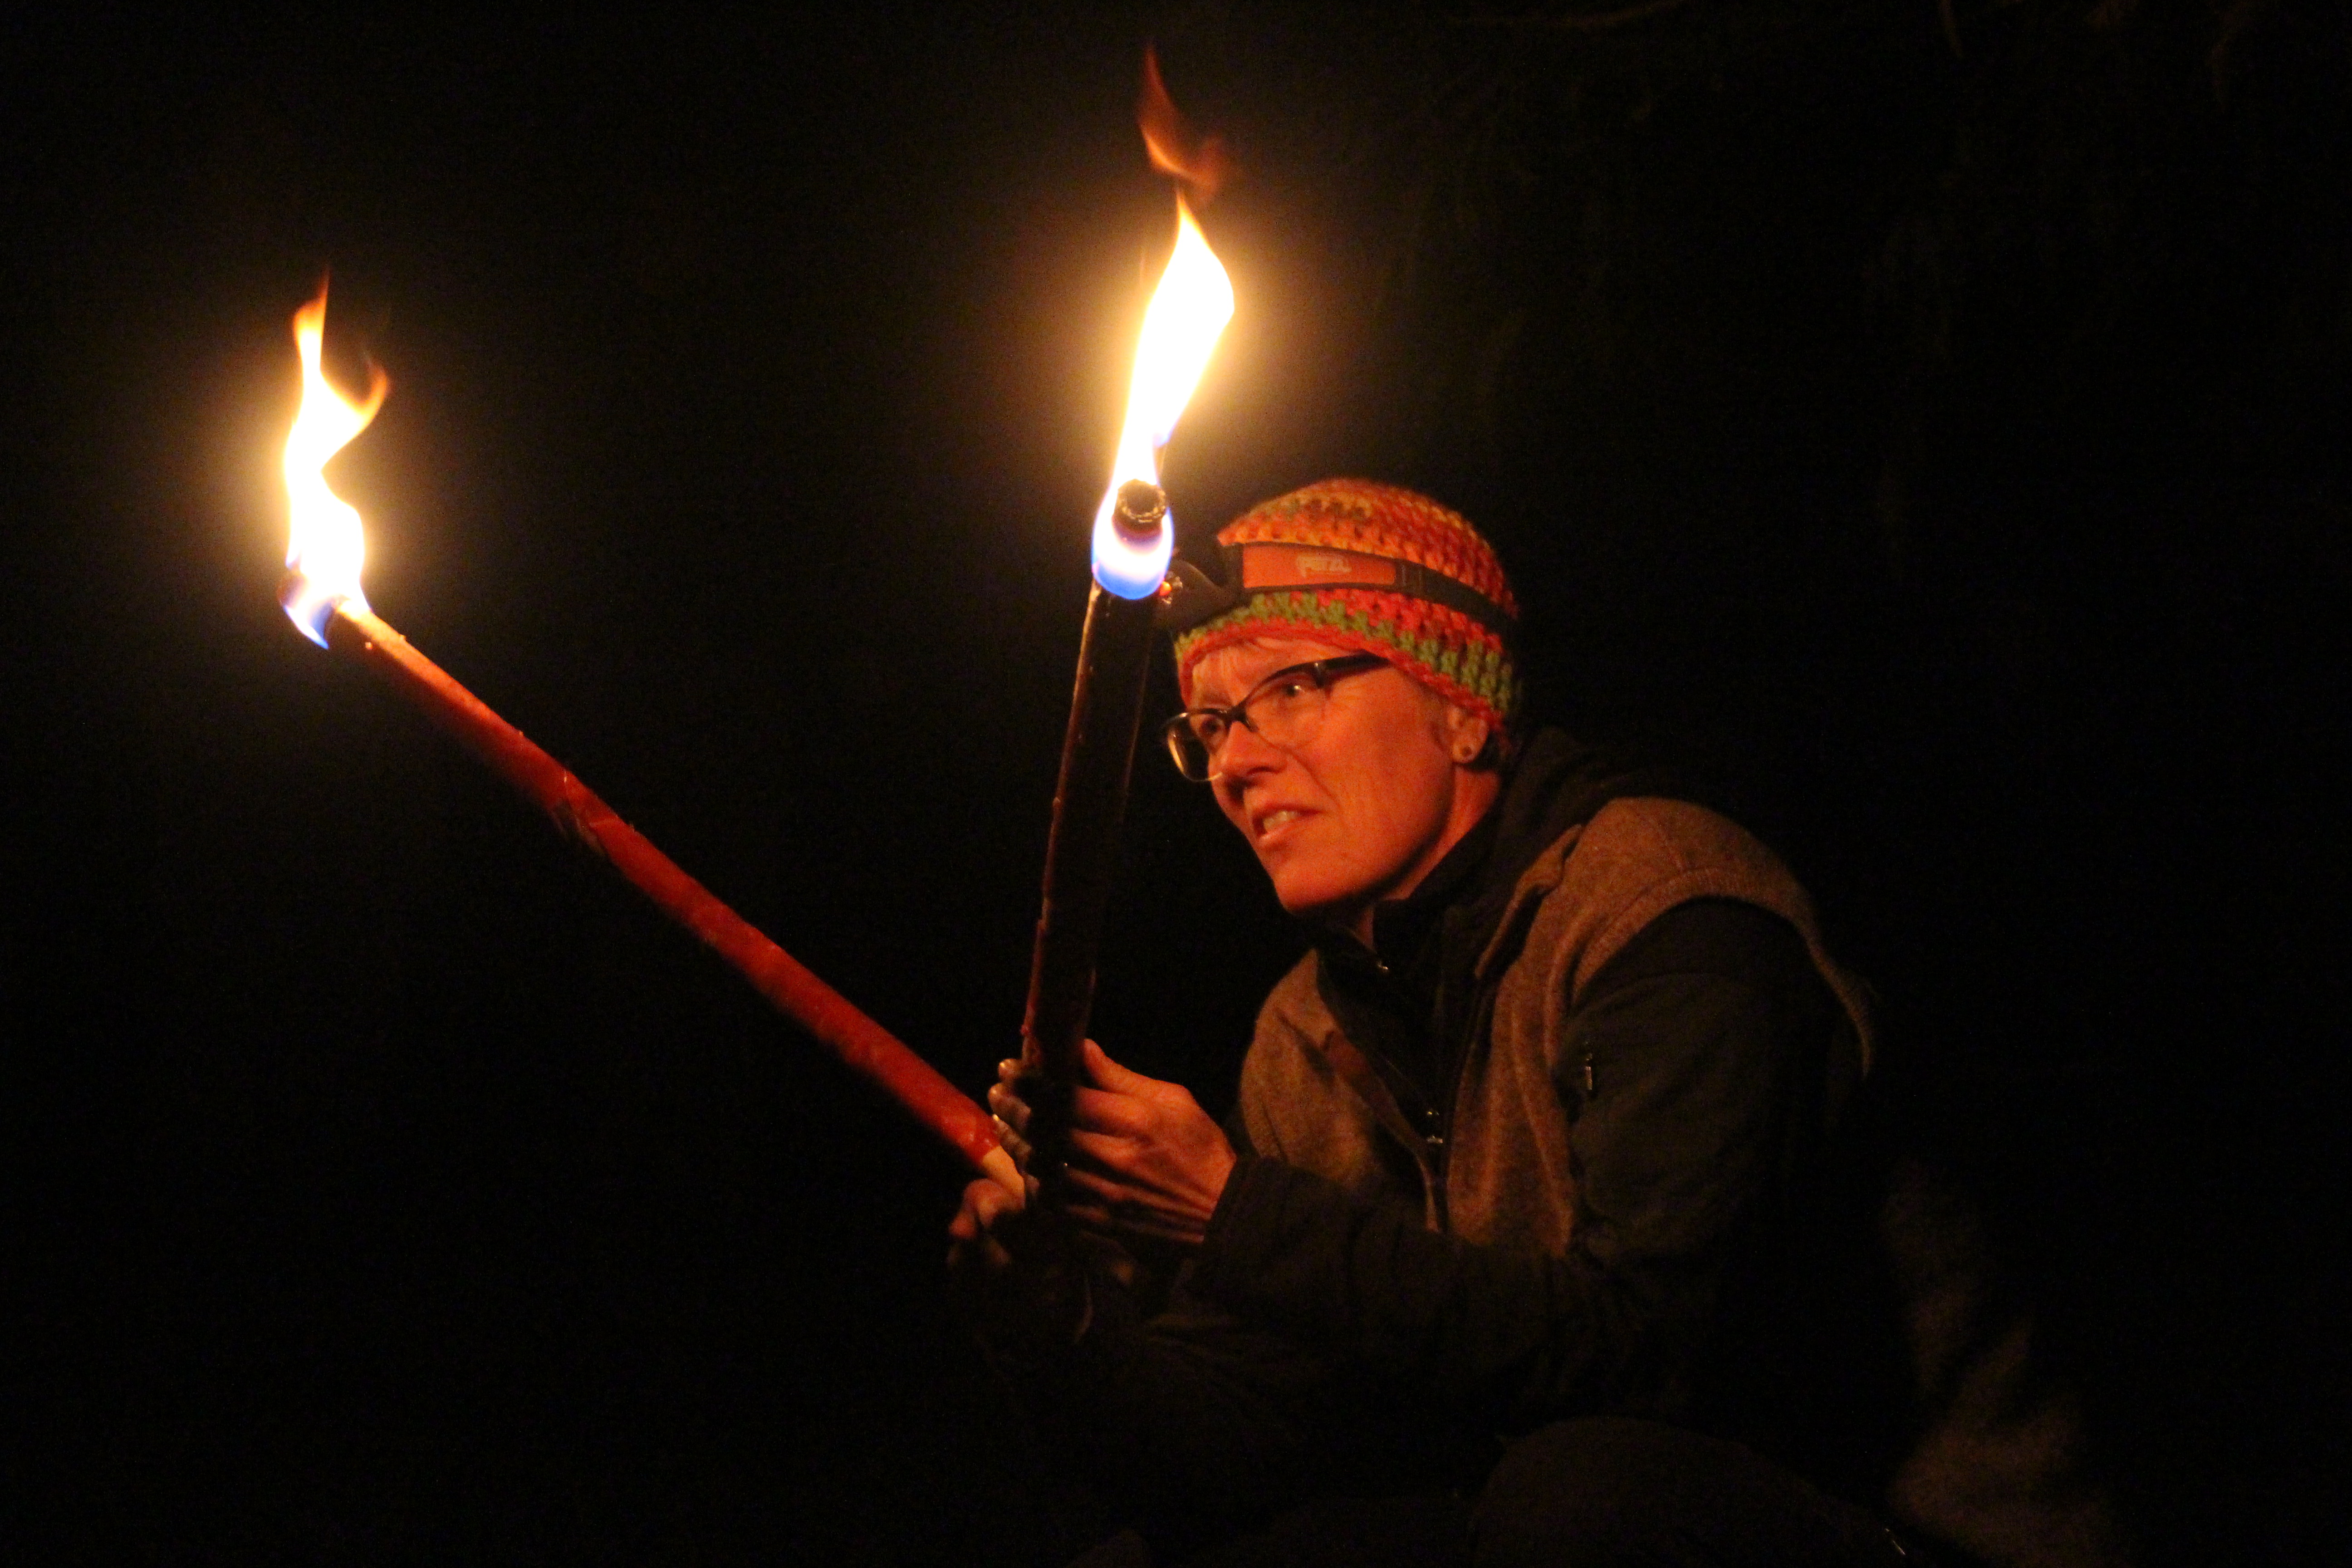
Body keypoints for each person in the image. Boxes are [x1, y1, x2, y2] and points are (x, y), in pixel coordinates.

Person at [949, 481, 2120, 1568]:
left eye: (1292, 689)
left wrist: (1233, 1213)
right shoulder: (1307, 1035)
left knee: (1578, 1500)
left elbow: (1654, 1363)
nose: (1239, 761)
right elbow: (1254, 1444)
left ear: (1462, 712)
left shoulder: (1667, 912)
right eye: (1207, 730)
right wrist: (1065, 1325)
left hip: (1901, 1538)